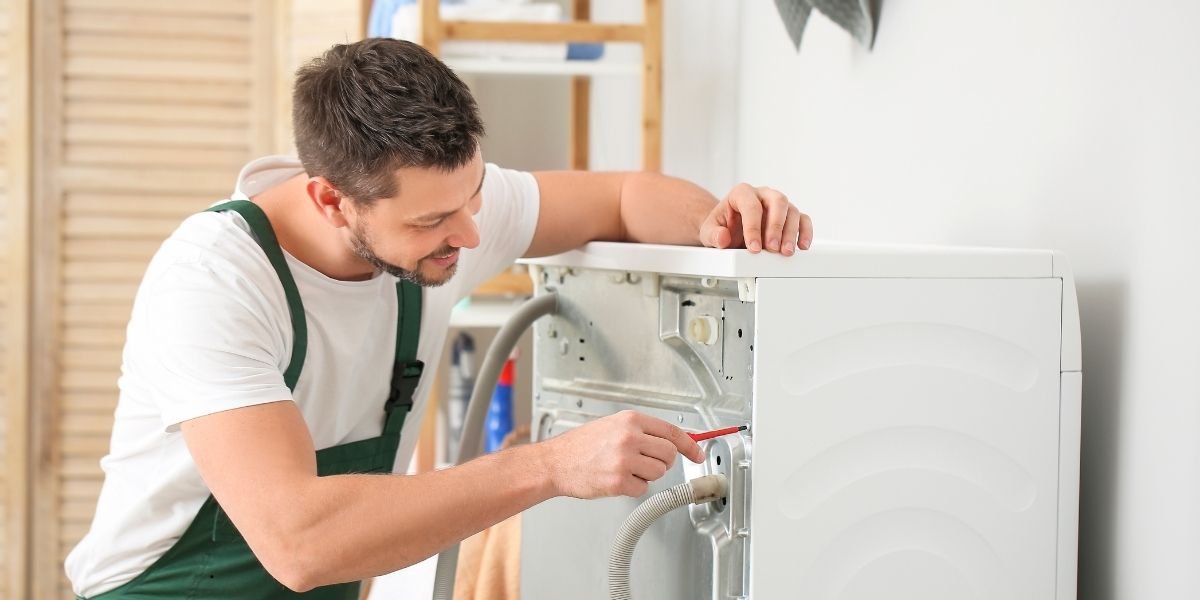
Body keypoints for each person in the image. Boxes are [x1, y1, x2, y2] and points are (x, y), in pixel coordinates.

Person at [65, 38, 813, 599]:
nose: (470, 235)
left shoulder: (439, 211)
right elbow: (299, 541)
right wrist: (551, 466)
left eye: (475, 195)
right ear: (331, 201)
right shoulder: (214, 282)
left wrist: (717, 223)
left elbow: (623, 196)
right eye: (431, 221)